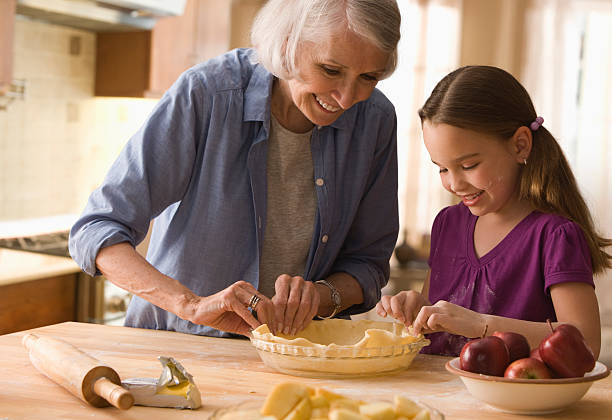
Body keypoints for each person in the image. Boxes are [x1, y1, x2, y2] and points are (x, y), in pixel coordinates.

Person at [69, 0, 401, 338]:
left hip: (299, 355)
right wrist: (192, 305)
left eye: (368, 77)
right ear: (287, 46)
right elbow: (97, 229)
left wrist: (320, 297)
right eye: (331, 70)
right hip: (179, 346)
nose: (346, 98)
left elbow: (368, 264)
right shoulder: (208, 93)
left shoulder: (375, 121)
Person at [376, 65, 611, 358]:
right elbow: (439, 315)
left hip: (512, 401)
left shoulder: (555, 236)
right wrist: (416, 307)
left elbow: (586, 342)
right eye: (442, 168)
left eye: (469, 165)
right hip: (435, 395)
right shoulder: (447, 223)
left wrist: (481, 325)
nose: (454, 183)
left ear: (520, 145)